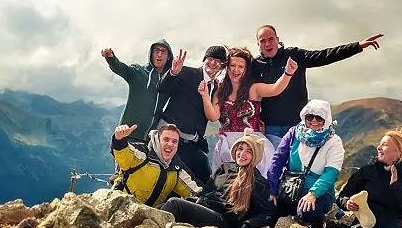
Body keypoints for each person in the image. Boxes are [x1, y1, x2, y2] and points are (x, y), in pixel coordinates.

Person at [250, 25, 383, 145]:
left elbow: (324, 56)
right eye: (262, 41)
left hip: (298, 125)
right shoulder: (255, 65)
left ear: (277, 39)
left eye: (271, 39)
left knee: (298, 168)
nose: (267, 43)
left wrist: (358, 46)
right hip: (271, 128)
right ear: (258, 44)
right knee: (273, 168)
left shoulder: (294, 55)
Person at [159, 129, 275, 228]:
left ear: (255, 156)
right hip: (207, 208)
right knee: (163, 206)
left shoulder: (257, 181)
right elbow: (207, 189)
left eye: (249, 151)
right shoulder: (224, 168)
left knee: (175, 204)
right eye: (240, 149)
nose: (242, 154)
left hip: (223, 220)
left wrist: (247, 226)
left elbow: (266, 214)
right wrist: (198, 198)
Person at [203, 46, 298, 177]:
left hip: (252, 143)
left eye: (241, 66)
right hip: (227, 145)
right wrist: (204, 96)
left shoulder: (254, 89)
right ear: (227, 67)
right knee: (226, 182)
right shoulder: (220, 91)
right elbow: (213, 116)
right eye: (232, 65)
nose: (236, 70)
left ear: (246, 69)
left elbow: (275, 89)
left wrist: (288, 73)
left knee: (256, 181)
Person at [266, 99, 344, 228]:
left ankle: (321, 223)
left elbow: (331, 172)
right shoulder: (294, 133)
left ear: (326, 120)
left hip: (320, 193)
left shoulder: (334, 142)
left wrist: (313, 193)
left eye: (319, 118)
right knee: (268, 207)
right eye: (309, 117)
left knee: (307, 212)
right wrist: (272, 189)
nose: (313, 121)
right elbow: (278, 160)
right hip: (290, 189)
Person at [156, 45, 227, 186]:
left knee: (205, 178)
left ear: (222, 67)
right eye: (210, 59)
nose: (213, 63)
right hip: (171, 138)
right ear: (204, 59)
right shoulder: (187, 73)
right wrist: (173, 73)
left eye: (218, 61)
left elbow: (216, 114)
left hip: (191, 142)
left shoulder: (216, 88)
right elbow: (162, 89)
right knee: (168, 179)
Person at [109, 123, 202, 207]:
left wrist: (206, 199)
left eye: (174, 141)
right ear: (157, 140)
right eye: (166, 139)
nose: (170, 144)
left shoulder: (176, 169)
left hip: (148, 217)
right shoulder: (142, 155)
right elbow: (122, 152)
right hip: (119, 206)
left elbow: (193, 191)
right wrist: (119, 138)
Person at [101, 40, 173, 142]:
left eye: (163, 51)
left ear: (168, 56)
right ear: (151, 54)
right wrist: (111, 58)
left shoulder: (169, 81)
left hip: (150, 140)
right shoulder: (139, 72)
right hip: (128, 135)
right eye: (156, 51)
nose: (159, 54)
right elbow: (121, 68)